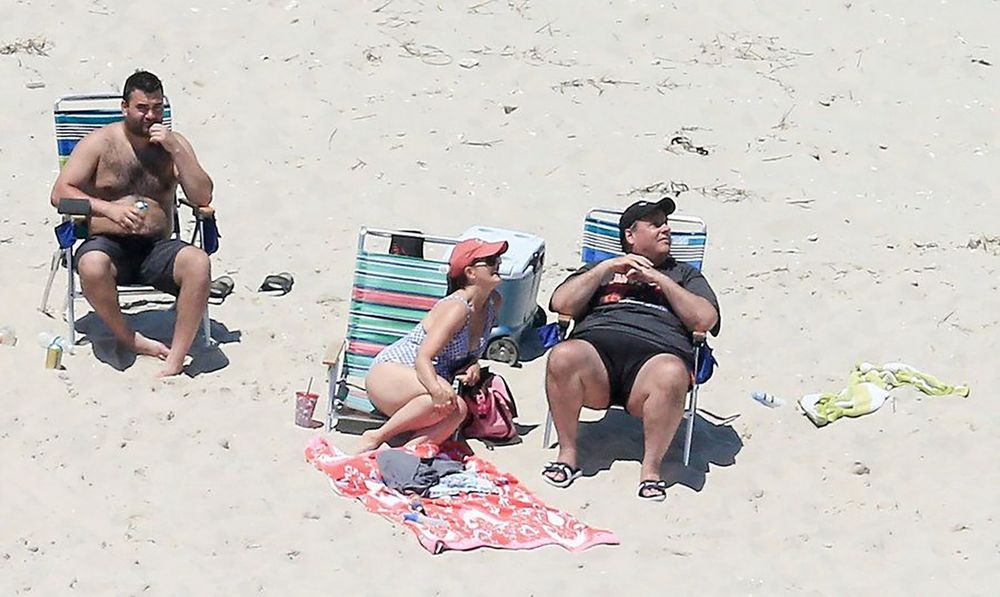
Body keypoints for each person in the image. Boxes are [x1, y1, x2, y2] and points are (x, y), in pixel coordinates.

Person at [543, 197, 721, 501]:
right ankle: (567, 455)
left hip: (652, 369)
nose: (666, 229)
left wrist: (659, 279)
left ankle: (651, 470)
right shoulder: (599, 270)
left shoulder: (684, 275)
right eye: (656, 224)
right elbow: (562, 303)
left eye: (666, 224)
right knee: (563, 355)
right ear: (630, 235)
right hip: (596, 366)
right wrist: (606, 268)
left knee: (672, 373)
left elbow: (705, 319)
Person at [49, 70, 214, 377]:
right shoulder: (100, 143)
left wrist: (177, 150)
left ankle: (176, 359)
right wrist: (108, 210)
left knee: (198, 263)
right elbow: (60, 193)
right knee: (92, 265)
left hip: (157, 248)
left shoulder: (174, 146)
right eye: (142, 108)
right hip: (108, 246)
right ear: (124, 107)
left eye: (157, 108)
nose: (150, 116)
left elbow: (202, 196)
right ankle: (130, 338)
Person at [358, 238, 507, 452]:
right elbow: (423, 358)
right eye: (491, 260)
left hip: (422, 386)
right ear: (470, 272)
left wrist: (473, 364)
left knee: (459, 410)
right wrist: (437, 391)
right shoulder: (457, 308)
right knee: (449, 400)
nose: (498, 263)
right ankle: (375, 437)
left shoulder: (493, 303)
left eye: (498, 258)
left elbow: (471, 351)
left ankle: (410, 452)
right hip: (391, 374)